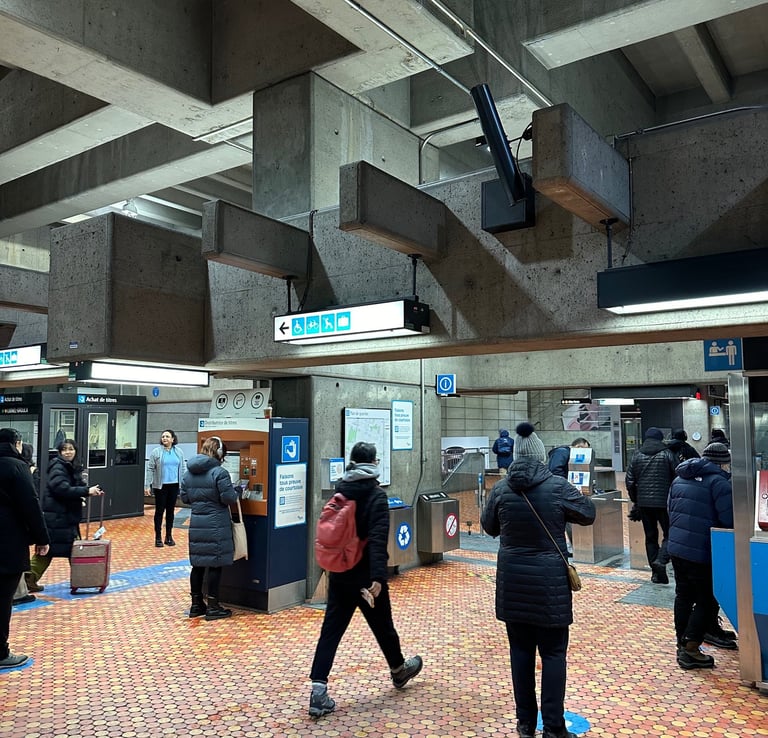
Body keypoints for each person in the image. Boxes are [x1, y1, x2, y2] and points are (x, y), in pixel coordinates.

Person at [481, 422, 596, 738]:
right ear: (541, 455)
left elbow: (488, 527)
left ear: (517, 455)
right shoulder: (557, 486)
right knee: (554, 654)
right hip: (549, 588)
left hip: (513, 585)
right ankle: (554, 729)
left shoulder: (502, 489)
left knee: (520, 654)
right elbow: (588, 513)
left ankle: (525, 725)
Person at [308, 441, 423, 718]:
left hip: (339, 574)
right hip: (365, 577)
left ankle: (318, 691)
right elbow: (378, 538)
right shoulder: (375, 495)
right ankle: (398, 670)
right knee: (383, 626)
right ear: (372, 462)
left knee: (331, 631)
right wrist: (378, 577)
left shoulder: (341, 489)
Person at [668, 442, 734, 669]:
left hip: (677, 548)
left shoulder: (679, 478)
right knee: (708, 598)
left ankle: (681, 643)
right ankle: (691, 647)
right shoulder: (719, 483)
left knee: (683, 596)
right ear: (722, 462)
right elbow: (728, 520)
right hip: (702, 550)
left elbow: (671, 510)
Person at [0, 428, 50, 668]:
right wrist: (42, 538)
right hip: (7, 543)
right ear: (16, 444)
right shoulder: (16, 467)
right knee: (2, 599)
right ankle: (1, 652)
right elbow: (30, 504)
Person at [25, 438, 103, 591]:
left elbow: (72, 486)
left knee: (54, 550)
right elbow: (61, 488)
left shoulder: (69, 467)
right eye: (65, 449)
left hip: (62, 517)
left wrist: (84, 493)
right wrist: (86, 491)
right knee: (67, 550)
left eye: (71, 449)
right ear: (60, 452)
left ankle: (29, 579)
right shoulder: (58, 468)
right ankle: (85, 579)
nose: (68, 452)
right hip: (58, 518)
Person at [180, 436, 239, 621]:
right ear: (220, 452)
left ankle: (196, 605)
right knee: (215, 564)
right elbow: (229, 498)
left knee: (197, 565)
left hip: (197, 523)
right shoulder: (219, 473)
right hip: (216, 524)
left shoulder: (188, 472)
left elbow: (185, 498)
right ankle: (213, 607)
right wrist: (237, 490)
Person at [624, 427, 679, 585]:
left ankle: (656, 574)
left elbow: (630, 481)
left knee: (650, 537)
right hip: (665, 503)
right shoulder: (668, 454)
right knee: (670, 534)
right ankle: (661, 561)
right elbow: (677, 476)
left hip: (644, 504)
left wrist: (636, 500)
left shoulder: (636, 455)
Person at [145, 429, 186, 548]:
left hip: (174, 485)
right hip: (160, 486)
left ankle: (169, 536)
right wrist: (148, 485)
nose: (165, 438)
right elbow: (150, 469)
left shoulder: (179, 452)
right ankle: (158, 537)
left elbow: (182, 468)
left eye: (167, 436)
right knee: (159, 511)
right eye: (163, 436)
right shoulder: (156, 452)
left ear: (173, 439)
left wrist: (183, 484)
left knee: (170, 511)